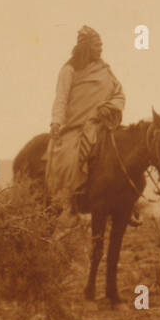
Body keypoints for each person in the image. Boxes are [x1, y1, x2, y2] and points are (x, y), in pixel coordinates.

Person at [47, 25, 125, 206]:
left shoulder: (105, 70)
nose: (101, 49)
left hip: (104, 124)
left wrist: (109, 106)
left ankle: (125, 203)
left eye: (101, 46)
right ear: (86, 47)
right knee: (68, 159)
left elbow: (119, 94)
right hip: (77, 128)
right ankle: (68, 199)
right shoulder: (68, 70)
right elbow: (61, 99)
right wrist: (56, 122)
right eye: (97, 46)